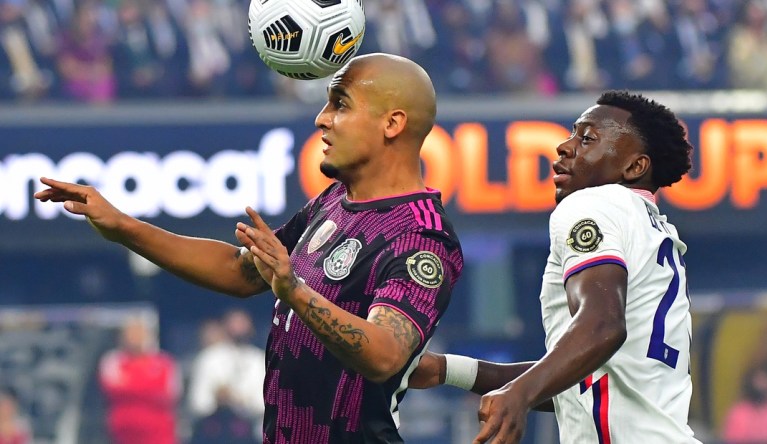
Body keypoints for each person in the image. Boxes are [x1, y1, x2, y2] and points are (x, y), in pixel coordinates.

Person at [34, 52, 464, 443]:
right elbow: (240, 272)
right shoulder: (334, 200)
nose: (322, 118)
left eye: (341, 104)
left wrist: (294, 290)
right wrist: (123, 226)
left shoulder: (421, 236)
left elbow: (385, 354)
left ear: (392, 123)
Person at [409, 90, 698, 444]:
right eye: (572, 133)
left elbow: (603, 325)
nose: (564, 146)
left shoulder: (594, 203)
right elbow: (580, 387)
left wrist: (519, 394)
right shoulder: (654, 229)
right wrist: (448, 370)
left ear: (634, 166)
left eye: (587, 138)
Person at [98, 316, 181, 444]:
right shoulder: (113, 361)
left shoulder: (164, 363)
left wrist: (131, 384)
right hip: (124, 434)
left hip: (159, 434)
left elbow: (170, 394)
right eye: (131, 333)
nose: (135, 338)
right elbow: (112, 389)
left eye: (139, 333)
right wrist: (149, 386)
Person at [188, 309, 266, 437]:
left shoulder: (259, 360)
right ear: (225, 326)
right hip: (214, 434)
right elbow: (197, 403)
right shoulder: (208, 358)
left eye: (242, 323)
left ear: (251, 327)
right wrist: (218, 401)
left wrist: (239, 400)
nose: (238, 328)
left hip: (251, 435)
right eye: (234, 323)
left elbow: (266, 404)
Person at [723, 366, 767, 443]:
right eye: (759, 381)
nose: (762, 385)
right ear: (751, 384)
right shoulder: (738, 412)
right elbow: (732, 439)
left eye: (764, 381)